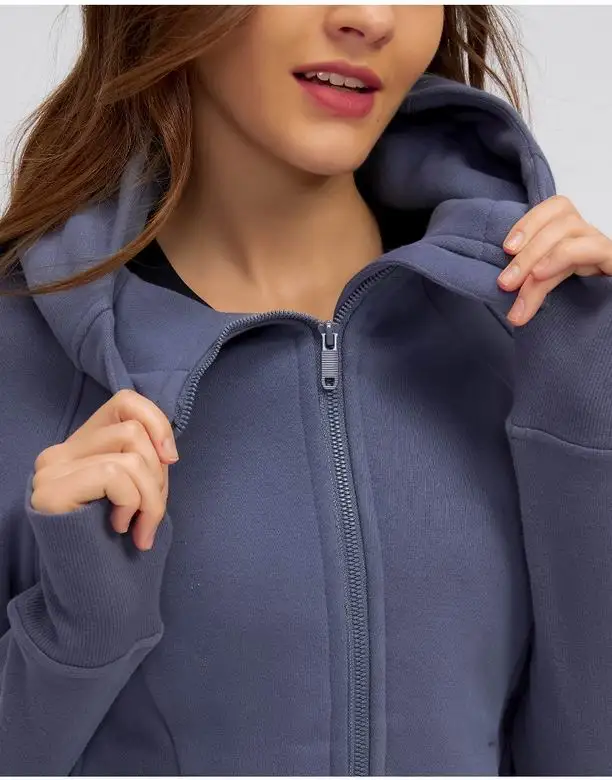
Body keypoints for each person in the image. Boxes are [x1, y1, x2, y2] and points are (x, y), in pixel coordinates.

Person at [0, 5, 611, 776]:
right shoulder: (22, 351)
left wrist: (589, 427)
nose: (371, 17)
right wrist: (77, 633)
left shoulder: (538, 336)